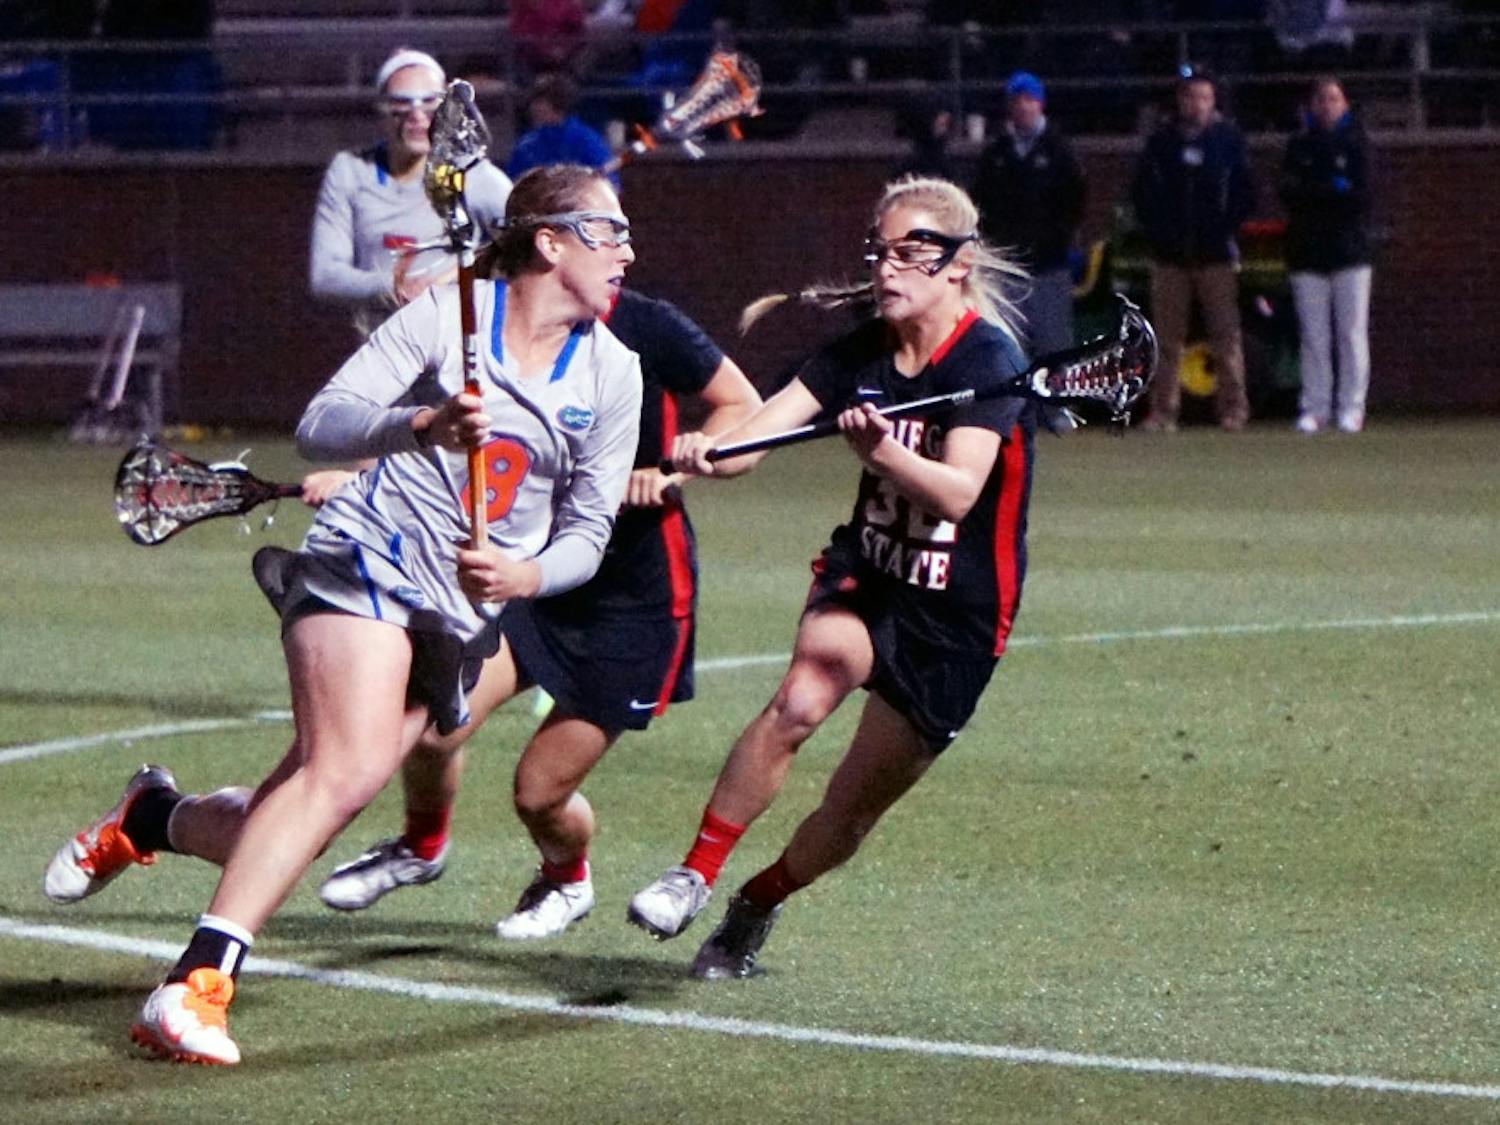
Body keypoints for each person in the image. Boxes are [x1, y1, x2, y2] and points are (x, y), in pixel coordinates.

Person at [42, 162, 643, 1065]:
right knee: (349, 768)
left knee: (297, 815)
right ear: (550, 242)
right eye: (610, 231)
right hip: (367, 551)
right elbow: (324, 421)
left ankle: (154, 814)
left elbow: (590, 531)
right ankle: (193, 987)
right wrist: (420, 426)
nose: (629, 250)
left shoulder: (614, 371)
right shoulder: (451, 315)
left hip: (458, 611)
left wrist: (526, 572)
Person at [626, 175, 1037, 980]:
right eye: (881, 251)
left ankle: (759, 898)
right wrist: (709, 451)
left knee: (848, 814)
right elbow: (755, 439)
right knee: (805, 690)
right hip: (873, 573)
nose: (888, 268)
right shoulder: (858, 350)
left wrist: (880, 449)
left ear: (958, 264)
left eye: (912, 252)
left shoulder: (991, 359)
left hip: (957, 613)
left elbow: (958, 491)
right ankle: (694, 873)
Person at [311, 282, 761, 937]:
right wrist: (363, 478)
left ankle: (565, 878)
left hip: (633, 600)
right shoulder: (506, 329)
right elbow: (477, 452)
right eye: (605, 238)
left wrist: (673, 470)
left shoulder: (647, 324)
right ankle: (422, 846)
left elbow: (740, 407)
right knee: (437, 727)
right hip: (536, 577)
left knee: (538, 792)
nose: (620, 258)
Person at [308, 48, 513, 336]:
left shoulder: (474, 175)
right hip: (381, 353)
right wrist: (394, 285)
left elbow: (532, 247)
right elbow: (326, 277)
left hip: (458, 357)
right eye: (402, 103)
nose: (417, 116)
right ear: (382, 108)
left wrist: (475, 281)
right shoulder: (351, 171)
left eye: (429, 102)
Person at [1130, 67, 1256, 432]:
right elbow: (1143, 193)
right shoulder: (1162, 141)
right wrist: (1159, 232)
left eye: (1203, 97)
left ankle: (1234, 410)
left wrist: (1225, 229)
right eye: (1189, 96)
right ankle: (1164, 412)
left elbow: (1245, 194)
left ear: (1213, 101)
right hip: (1169, 256)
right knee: (1167, 339)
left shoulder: (1228, 139)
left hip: (1216, 254)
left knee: (1226, 336)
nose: (1195, 104)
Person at [1279, 75, 1373, 434]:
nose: (1327, 105)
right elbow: (1289, 192)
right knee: (1314, 335)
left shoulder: (1358, 143)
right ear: (1310, 105)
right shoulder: (1299, 144)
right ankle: (1315, 406)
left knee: (1351, 333)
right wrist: (1329, 189)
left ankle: (1352, 407)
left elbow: (1360, 197)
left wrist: (1321, 192)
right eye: (1321, 99)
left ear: (1345, 104)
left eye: (1334, 99)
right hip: (1307, 251)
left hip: (1350, 251)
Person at [971, 71, 1087, 358]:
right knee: (1008, 350)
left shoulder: (1060, 150)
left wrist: (1060, 240)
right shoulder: (995, 153)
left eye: (1029, 99)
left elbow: (1074, 200)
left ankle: (1055, 405)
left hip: (1048, 268)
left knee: (1054, 351)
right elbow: (980, 203)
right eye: (1017, 100)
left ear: (1040, 104)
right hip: (1006, 268)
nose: (1023, 106)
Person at [506, 72, 618, 190]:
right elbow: (512, 186)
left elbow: (609, 183)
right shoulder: (525, 146)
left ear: (558, 104)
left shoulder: (586, 141)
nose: (533, 108)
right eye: (533, 102)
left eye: (539, 102)